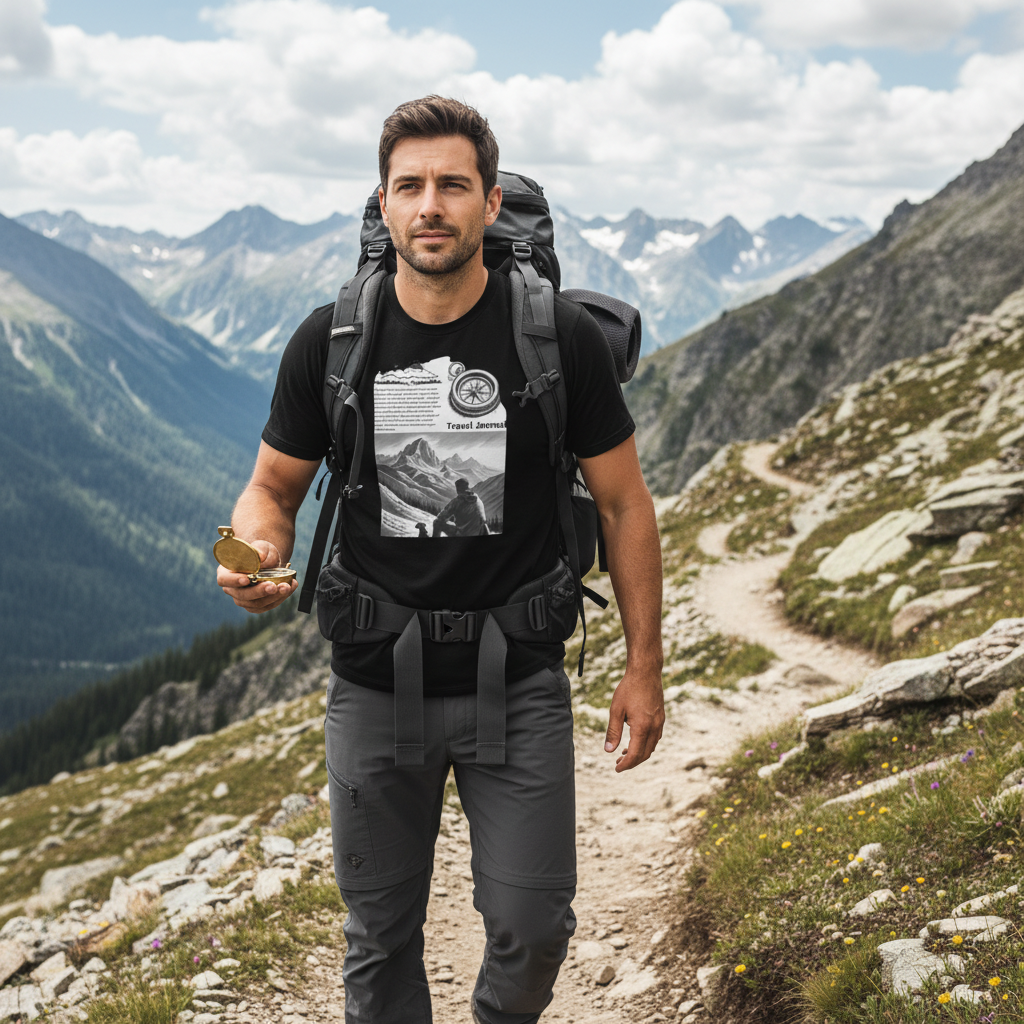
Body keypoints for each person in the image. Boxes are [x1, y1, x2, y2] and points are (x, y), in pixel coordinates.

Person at [217, 95, 664, 1024]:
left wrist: (643, 664)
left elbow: (624, 502)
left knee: (535, 924)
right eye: (410, 186)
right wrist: (253, 553)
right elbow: (272, 489)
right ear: (381, 205)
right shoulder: (331, 340)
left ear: (490, 203)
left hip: (522, 672)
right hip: (376, 678)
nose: (431, 205)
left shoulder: (556, 339)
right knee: (377, 939)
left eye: (452, 185)